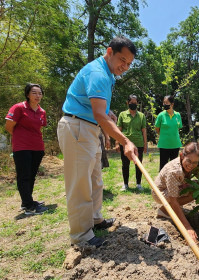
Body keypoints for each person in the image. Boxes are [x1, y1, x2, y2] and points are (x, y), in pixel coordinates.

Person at [57, 36, 138, 248]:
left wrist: (108, 112)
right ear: (109, 52)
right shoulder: (98, 74)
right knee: (80, 185)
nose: (125, 67)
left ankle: (95, 219)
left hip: (88, 129)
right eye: (122, 60)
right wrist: (125, 142)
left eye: (129, 63)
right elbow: (99, 115)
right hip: (77, 129)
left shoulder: (107, 73)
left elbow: (98, 108)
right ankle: (82, 236)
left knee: (95, 180)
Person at [152, 142, 199, 242]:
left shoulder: (197, 166)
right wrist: (188, 228)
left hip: (176, 187)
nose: (191, 165)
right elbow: (173, 200)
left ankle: (171, 210)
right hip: (160, 193)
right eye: (189, 161)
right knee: (191, 190)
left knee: (197, 188)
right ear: (182, 156)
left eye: (195, 162)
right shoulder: (174, 171)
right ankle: (164, 211)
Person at [5, 83, 48, 215]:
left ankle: (26, 201)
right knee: (24, 176)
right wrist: (20, 138)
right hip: (22, 147)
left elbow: (40, 127)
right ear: (27, 94)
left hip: (37, 147)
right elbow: (9, 126)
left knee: (31, 175)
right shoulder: (19, 108)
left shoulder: (42, 112)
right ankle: (29, 206)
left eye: (39, 93)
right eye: (34, 93)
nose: (37, 96)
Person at [116, 95, 147, 191]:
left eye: (135, 103)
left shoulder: (141, 116)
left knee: (138, 164)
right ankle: (125, 184)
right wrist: (117, 142)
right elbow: (118, 129)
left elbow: (144, 131)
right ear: (127, 103)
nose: (133, 104)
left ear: (137, 103)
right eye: (131, 103)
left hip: (139, 143)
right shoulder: (122, 115)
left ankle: (138, 184)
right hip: (125, 144)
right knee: (125, 164)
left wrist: (145, 144)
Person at [155, 95, 182, 170]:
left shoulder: (178, 115)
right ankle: (162, 181)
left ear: (172, 104)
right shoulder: (161, 115)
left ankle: (173, 181)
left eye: (166, 103)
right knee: (163, 166)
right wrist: (163, 135)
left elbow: (178, 127)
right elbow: (157, 128)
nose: (164, 104)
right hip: (164, 145)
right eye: (164, 103)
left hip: (175, 144)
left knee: (174, 166)